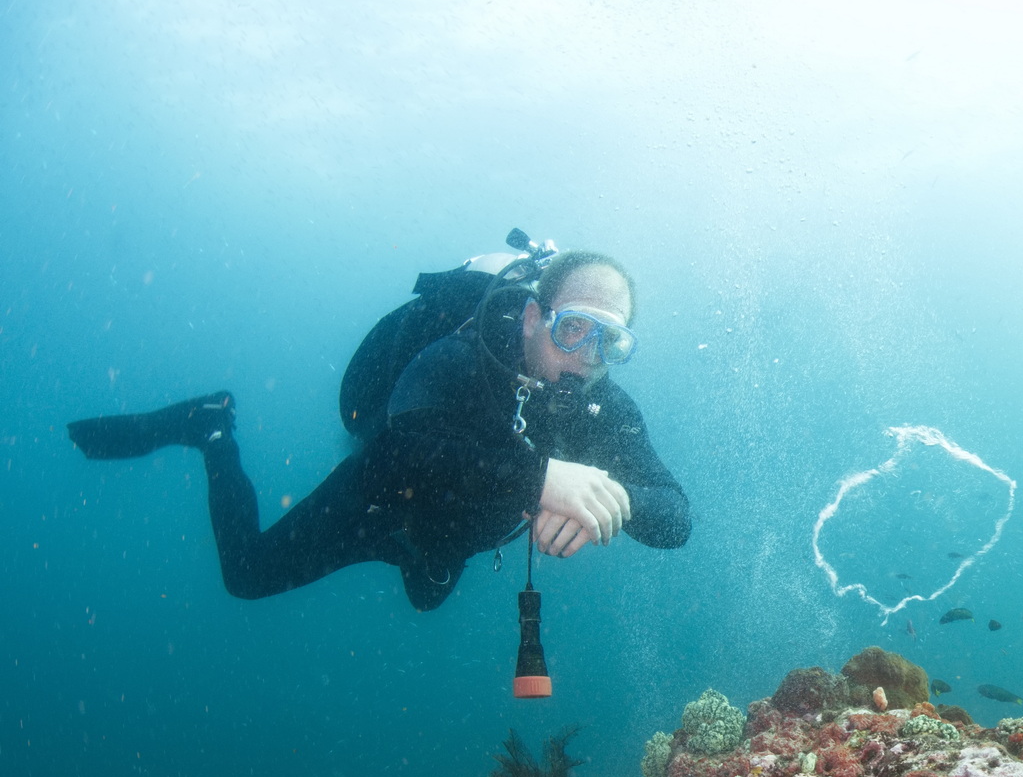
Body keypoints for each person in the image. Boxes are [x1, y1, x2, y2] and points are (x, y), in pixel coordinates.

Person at [66, 248, 690, 610]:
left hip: (453, 526)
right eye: (574, 328)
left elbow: (676, 518)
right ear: (532, 317)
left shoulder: (602, 407)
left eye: (611, 341)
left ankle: (410, 549)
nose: (588, 356)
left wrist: (609, 499)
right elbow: (403, 448)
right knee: (246, 575)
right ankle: (211, 431)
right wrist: (542, 479)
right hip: (386, 491)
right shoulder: (467, 354)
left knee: (427, 595)